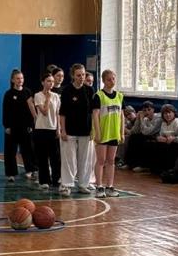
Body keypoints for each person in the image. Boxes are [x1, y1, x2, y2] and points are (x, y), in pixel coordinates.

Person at [59, 63, 94, 195]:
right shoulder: (67, 90)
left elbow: (93, 112)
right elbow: (62, 113)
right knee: (69, 159)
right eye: (78, 75)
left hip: (85, 130)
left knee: (85, 159)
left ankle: (83, 184)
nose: (81, 77)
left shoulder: (89, 90)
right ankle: (66, 185)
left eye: (83, 75)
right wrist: (63, 130)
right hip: (70, 130)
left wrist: (93, 130)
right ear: (73, 76)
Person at [91, 69, 124, 197]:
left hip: (114, 133)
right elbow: (95, 115)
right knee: (101, 160)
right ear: (104, 81)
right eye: (109, 79)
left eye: (113, 79)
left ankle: (110, 186)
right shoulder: (98, 96)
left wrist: (122, 132)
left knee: (111, 161)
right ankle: (99, 186)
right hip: (103, 132)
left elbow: (121, 115)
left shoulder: (119, 96)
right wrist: (97, 132)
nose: (112, 81)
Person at [2, 69, 37, 181]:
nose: (20, 80)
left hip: (25, 127)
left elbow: (32, 110)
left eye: (21, 78)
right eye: (17, 78)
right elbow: (5, 111)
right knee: (10, 151)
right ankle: (11, 174)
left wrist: (31, 125)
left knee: (27, 149)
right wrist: (7, 126)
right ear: (13, 80)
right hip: (12, 127)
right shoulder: (8, 94)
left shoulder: (27, 92)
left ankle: (30, 170)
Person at [33, 72, 62, 190]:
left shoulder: (56, 96)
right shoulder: (38, 95)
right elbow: (44, 112)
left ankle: (56, 179)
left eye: (52, 82)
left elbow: (58, 113)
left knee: (55, 157)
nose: (51, 83)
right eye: (48, 81)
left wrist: (58, 128)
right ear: (43, 82)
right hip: (41, 129)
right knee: (42, 157)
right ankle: (44, 181)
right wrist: (48, 99)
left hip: (53, 129)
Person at [125, 101, 161, 171]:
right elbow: (135, 131)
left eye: (149, 110)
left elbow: (147, 132)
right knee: (134, 137)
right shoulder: (145, 119)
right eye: (144, 110)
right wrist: (138, 118)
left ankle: (144, 166)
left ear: (153, 110)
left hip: (157, 137)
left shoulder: (158, 118)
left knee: (144, 141)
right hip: (149, 136)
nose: (147, 112)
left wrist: (141, 119)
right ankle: (130, 164)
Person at [148, 104, 178, 175]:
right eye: (165, 113)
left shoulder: (177, 121)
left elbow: (177, 134)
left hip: (176, 142)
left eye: (169, 113)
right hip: (166, 141)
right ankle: (156, 168)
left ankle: (168, 169)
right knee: (153, 144)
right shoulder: (163, 123)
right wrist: (159, 138)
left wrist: (166, 137)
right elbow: (161, 134)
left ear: (174, 113)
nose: (167, 115)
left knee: (167, 147)